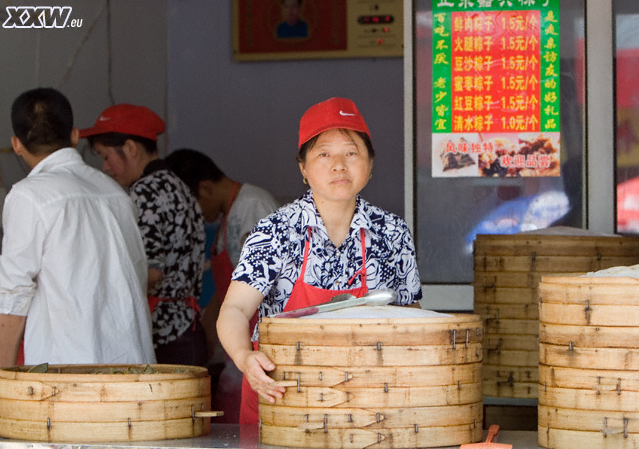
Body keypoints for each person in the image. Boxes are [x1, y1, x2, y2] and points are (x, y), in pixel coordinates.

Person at [216, 97, 422, 425]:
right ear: (303, 167)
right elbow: (235, 310)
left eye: (351, 152)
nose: (339, 164)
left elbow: (411, 318)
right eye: (324, 153)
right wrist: (244, 358)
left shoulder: (391, 231)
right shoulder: (275, 231)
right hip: (283, 398)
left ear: (370, 164)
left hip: (367, 405)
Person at [0, 88, 155, 414]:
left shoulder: (29, 196)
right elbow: (137, 275)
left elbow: (11, 292)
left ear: (16, 144)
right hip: (135, 375)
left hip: (69, 380)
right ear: (74, 135)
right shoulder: (115, 194)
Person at [80, 105, 207, 366]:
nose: (105, 167)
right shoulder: (178, 185)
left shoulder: (144, 192)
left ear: (130, 148)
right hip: (188, 329)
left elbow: (151, 271)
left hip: (164, 334)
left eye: (106, 156)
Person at [166, 148, 278, 422]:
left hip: (259, 343)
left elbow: (261, 286)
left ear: (204, 188)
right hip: (238, 345)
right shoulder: (228, 214)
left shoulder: (252, 206)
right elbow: (226, 289)